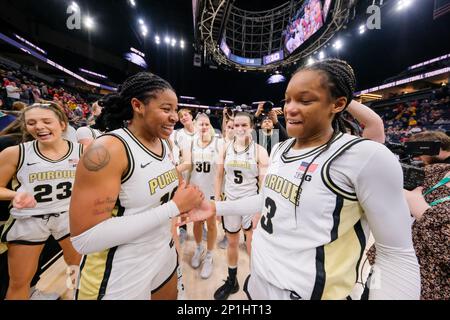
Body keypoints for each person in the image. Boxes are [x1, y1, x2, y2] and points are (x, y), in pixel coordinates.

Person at [182, 59, 420, 300]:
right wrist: (215, 206)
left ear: (338, 104)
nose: (290, 109)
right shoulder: (280, 149)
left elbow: (397, 256)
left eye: (305, 100)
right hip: (260, 281)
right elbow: (266, 199)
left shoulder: (366, 157)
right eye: (288, 100)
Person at [69, 72, 204, 300]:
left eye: (175, 110)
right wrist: (173, 208)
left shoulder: (164, 143)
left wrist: (191, 204)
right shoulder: (107, 149)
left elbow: (170, 191)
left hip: (163, 252)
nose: (174, 117)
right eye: (166, 109)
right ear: (137, 105)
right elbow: (85, 238)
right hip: (120, 269)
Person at [0, 102, 82, 300]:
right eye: (31, 123)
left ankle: (75, 295)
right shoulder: (15, 153)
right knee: (20, 282)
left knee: (77, 271)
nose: (39, 127)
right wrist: (15, 195)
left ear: (62, 124)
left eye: (46, 121)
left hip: (68, 217)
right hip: (30, 219)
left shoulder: (82, 151)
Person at [213, 112, 269, 300]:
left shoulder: (259, 151)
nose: (239, 129)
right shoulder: (225, 148)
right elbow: (219, 176)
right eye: (236, 125)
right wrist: (218, 205)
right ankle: (232, 280)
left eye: (244, 125)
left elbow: (264, 183)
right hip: (230, 202)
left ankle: (257, 281)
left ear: (252, 126)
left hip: (250, 203)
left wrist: (259, 211)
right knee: (232, 242)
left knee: (253, 243)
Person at [177, 113, 221, 279]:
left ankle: (209, 256)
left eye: (207, 124)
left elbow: (221, 173)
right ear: (195, 125)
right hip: (195, 191)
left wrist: (218, 196)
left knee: (210, 225)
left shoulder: (218, 143)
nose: (204, 127)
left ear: (210, 126)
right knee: (196, 223)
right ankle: (198, 248)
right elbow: (188, 166)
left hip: (210, 192)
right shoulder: (190, 143)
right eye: (201, 124)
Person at [170, 108, 197, 244]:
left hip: (198, 169)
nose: (184, 117)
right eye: (181, 117)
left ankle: (200, 225)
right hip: (185, 169)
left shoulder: (201, 129)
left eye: (186, 114)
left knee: (199, 198)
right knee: (183, 200)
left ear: (191, 116)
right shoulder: (178, 134)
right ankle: (183, 228)